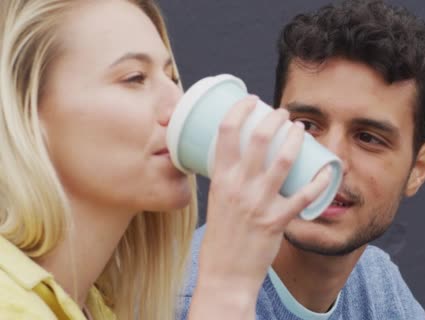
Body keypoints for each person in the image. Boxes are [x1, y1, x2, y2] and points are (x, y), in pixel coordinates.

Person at [0, 0, 329, 319]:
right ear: (27, 111)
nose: (178, 106)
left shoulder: (96, 306)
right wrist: (227, 286)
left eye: (172, 78)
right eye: (134, 78)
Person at [180, 0, 425, 319]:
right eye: (306, 125)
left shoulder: (378, 285)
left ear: (418, 169)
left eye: (368, 137)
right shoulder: (186, 303)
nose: (330, 158)